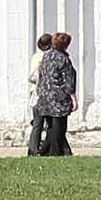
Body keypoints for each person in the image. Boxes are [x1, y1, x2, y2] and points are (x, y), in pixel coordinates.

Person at [31, 31, 79, 159]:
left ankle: (45, 150)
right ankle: (55, 151)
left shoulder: (47, 56)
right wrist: (73, 98)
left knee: (51, 126)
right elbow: (68, 80)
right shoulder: (63, 59)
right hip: (58, 97)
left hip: (45, 96)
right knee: (59, 126)